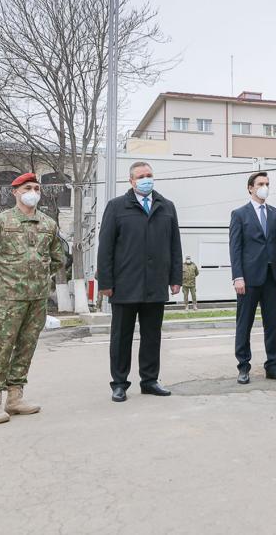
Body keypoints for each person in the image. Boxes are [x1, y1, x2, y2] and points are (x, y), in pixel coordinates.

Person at [0, 173, 66, 424]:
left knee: (26, 347)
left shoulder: (48, 224)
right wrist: (1, 280)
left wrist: (40, 278)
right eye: (28, 187)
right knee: (3, 346)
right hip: (9, 299)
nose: (33, 191)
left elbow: (58, 259)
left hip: (37, 298)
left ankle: (15, 397)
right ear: (15, 192)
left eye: (36, 188)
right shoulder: (1, 222)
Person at [97, 161, 182, 403]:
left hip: (155, 284)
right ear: (131, 181)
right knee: (121, 336)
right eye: (141, 176)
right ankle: (119, 383)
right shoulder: (116, 207)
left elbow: (175, 244)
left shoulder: (167, 207)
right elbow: (106, 248)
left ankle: (150, 380)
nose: (147, 179)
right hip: (125, 284)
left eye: (150, 175)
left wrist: (175, 278)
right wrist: (105, 282)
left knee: (152, 335)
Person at [228, 172, 276, 385]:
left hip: (272, 278)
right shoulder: (239, 214)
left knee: (271, 324)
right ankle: (243, 366)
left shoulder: (275, 214)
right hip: (248, 278)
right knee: (244, 324)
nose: (265, 187)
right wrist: (237, 276)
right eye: (260, 184)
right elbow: (235, 248)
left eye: (267, 184)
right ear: (250, 188)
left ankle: (272, 365)